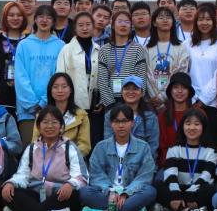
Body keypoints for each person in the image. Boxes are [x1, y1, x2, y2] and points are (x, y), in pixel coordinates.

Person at [1, 105, 86, 211]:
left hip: (60, 193)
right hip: (36, 193)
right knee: (11, 192)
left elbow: (81, 177)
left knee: (74, 195)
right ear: (38, 127)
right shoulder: (32, 148)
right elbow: (22, 175)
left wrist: (70, 184)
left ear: (61, 127)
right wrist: (11, 183)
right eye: (45, 122)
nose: (49, 126)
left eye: (54, 122)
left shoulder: (69, 148)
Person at [78, 103, 157, 211]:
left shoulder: (143, 147)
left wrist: (126, 193)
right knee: (84, 192)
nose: (121, 125)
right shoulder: (101, 147)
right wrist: (111, 192)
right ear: (111, 124)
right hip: (107, 194)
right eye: (116, 121)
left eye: (124, 121)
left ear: (132, 123)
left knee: (150, 191)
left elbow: (144, 177)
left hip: (131, 195)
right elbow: (96, 175)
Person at [152, 108, 217, 211]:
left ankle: (172, 209)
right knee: (157, 185)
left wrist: (190, 193)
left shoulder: (211, 151)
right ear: (182, 127)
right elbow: (170, 175)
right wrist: (176, 194)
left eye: (196, 124)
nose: (192, 128)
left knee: (210, 189)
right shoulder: (174, 149)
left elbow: (206, 177)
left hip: (198, 190)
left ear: (203, 127)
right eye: (188, 124)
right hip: (178, 189)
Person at [13, 5, 65, 144]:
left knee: (53, 149)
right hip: (27, 111)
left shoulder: (61, 46)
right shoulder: (24, 45)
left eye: (49, 17)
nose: (44, 20)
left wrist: (44, 102)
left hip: (52, 108)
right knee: (30, 150)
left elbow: (59, 75)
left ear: (54, 22)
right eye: (41, 16)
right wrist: (32, 104)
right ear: (35, 19)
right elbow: (20, 77)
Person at [95, 10, 147, 139]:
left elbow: (141, 78)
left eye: (127, 22)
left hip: (132, 101)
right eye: (120, 21)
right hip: (111, 103)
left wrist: (133, 102)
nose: (123, 25)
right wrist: (111, 105)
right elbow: (102, 80)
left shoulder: (138, 49)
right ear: (113, 25)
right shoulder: (104, 50)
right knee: (111, 139)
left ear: (131, 26)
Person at [186, 4, 217, 116]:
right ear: (196, 22)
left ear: (214, 22)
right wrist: (193, 97)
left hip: (212, 103)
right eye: (200, 19)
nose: (204, 23)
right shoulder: (187, 44)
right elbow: (185, 71)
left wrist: (204, 99)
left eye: (208, 19)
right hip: (191, 100)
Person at [55, 11, 99, 114]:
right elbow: (60, 76)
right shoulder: (66, 49)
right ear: (75, 28)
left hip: (95, 103)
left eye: (88, 24)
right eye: (80, 25)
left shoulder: (99, 49)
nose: (85, 28)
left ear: (93, 26)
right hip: (73, 103)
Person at [105, 76, 159, 159]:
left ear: (142, 93)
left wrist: (145, 164)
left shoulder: (151, 117)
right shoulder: (110, 115)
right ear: (122, 92)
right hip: (116, 161)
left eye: (135, 89)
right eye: (127, 89)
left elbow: (153, 146)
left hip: (142, 162)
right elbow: (108, 143)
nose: (130, 92)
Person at [145, 6, 190, 105]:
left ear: (173, 22)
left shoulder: (181, 47)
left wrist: (163, 96)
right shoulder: (147, 48)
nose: (165, 20)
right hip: (153, 101)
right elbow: (146, 75)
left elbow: (181, 73)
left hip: (174, 99)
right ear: (154, 23)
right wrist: (155, 97)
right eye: (161, 17)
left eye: (168, 17)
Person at [157, 72, 199, 164]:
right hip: (169, 162)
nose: (180, 91)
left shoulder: (199, 113)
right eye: (176, 87)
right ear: (170, 91)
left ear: (189, 91)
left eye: (184, 87)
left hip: (194, 162)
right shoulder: (162, 116)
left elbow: (205, 142)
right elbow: (162, 147)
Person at [46, 72, 91, 157]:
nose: (60, 90)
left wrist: (66, 157)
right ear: (50, 90)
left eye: (64, 86)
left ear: (70, 90)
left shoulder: (81, 116)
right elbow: (35, 143)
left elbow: (85, 146)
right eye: (55, 87)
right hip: (46, 160)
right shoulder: (42, 115)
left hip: (72, 160)